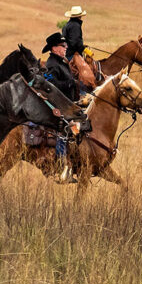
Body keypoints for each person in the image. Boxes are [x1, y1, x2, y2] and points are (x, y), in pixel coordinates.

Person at [42, 32, 88, 182]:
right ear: (54, 48)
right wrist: (70, 83)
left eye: (66, 45)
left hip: (68, 104)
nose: (65, 48)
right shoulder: (51, 65)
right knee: (65, 131)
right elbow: (50, 86)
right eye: (63, 46)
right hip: (57, 106)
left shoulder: (61, 62)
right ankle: (62, 167)